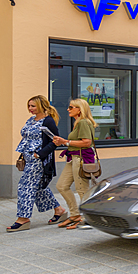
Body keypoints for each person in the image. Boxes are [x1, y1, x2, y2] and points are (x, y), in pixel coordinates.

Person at [7, 96, 67, 232]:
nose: (30, 109)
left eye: (33, 106)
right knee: (40, 187)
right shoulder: (31, 120)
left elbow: (55, 141)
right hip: (28, 158)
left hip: (38, 160)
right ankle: (60, 210)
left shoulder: (48, 121)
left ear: (41, 105)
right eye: (29, 106)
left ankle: (23, 218)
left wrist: (39, 154)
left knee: (25, 186)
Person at [51, 98, 98, 230]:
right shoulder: (78, 122)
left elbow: (87, 142)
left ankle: (87, 218)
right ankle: (75, 215)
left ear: (80, 109)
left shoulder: (83, 122)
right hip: (73, 158)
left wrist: (65, 142)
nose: (68, 109)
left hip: (81, 158)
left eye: (71, 107)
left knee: (82, 190)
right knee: (62, 186)